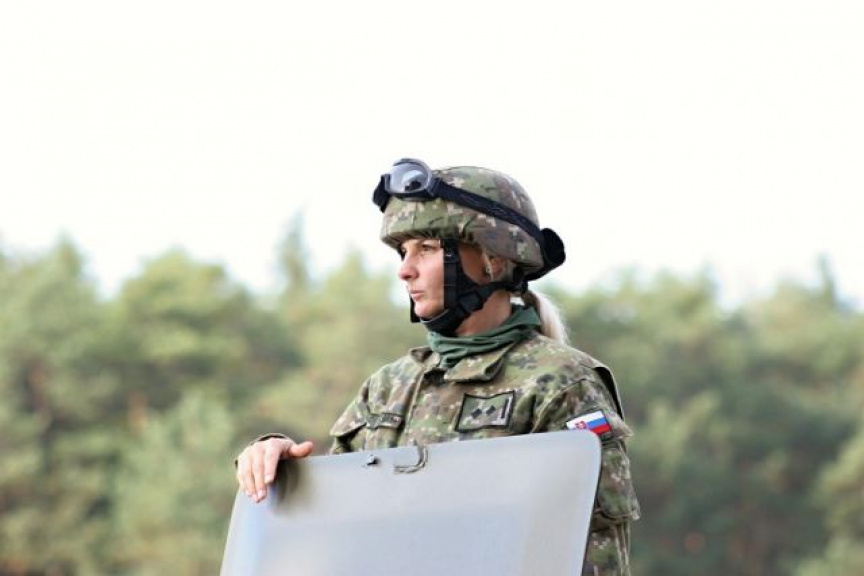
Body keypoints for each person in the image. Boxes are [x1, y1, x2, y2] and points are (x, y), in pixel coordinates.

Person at [235, 158, 641, 574]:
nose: (404, 270)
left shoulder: (560, 383)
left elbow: (595, 558)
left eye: (426, 249)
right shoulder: (388, 387)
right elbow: (336, 538)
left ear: (492, 260)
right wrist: (282, 468)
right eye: (403, 252)